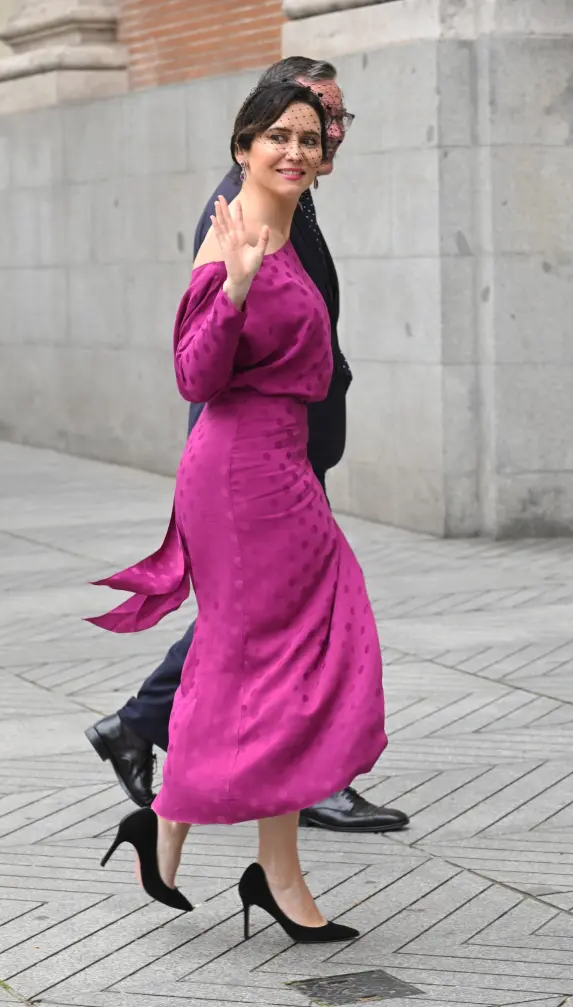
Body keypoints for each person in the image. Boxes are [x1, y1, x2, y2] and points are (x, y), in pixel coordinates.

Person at [89, 80, 388, 944]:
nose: (295, 150)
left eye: (309, 138)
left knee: (272, 657)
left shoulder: (290, 228)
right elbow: (194, 374)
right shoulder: (231, 234)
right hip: (239, 476)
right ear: (242, 147)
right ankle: (270, 871)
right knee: (267, 658)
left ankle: (176, 832)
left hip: (281, 467)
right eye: (277, 136)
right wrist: (233, 290)